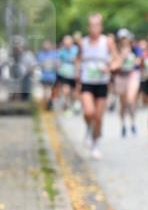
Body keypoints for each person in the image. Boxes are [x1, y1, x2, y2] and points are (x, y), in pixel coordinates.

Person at [76, 14, 120, 160]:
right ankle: (88, 130)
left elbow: (116, 59)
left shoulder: (107, 42)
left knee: (99, 117)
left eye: (97, 25)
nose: (94, 28)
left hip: (102, 83)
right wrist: (77, 73)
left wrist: (110, 67)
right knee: (89, 112)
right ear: (88, 27)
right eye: (91, 25)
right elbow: (78, 59)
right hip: (87, 82)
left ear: (101, 27)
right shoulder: (83, 43)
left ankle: (95, 145)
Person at [114, 30, 141, 137]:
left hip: (132, 75)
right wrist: (122, 57)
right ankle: (123, 124)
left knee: (131, 100)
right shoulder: (116, 50)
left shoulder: (134, 49)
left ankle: (133, 122)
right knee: (123, 103)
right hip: (121, 77)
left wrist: (137, 61)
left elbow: (139, 60)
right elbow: (114, 64)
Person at [56, 35, 79, 114]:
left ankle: (74, 103)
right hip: (64, 73)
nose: (67, 44)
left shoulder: (76, 50)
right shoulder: (61, 51)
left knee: (74, 91)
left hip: (74, 73)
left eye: (68, 42)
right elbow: (58, 61)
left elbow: (78, 60)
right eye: (65, 42)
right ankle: (66, 104)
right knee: (66, 89)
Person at [37, 39, 60, 109]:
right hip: (43, 76)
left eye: (47, 44)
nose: (46, 46)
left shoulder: (55, 53)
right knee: (45, 91)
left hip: (52, 76)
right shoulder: (40, 54)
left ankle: (50, 102)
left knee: (51, 91)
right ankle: (47, 103)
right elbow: (38, 64)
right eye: (45, 44)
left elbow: (58, 64)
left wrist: (53, 64)